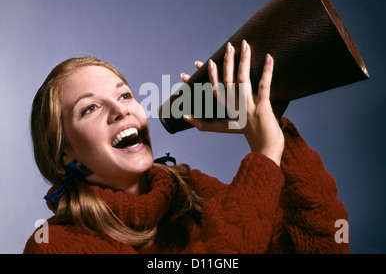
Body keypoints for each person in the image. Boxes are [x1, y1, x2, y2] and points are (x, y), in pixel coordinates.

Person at [24, 40, 349, 254]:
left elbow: (324, 244)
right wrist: (263, 160)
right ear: (64, 152)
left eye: (124, 95)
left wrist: (274, 136)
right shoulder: (55, 245)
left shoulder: (191, 190)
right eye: (90, 108)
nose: (121, 109)